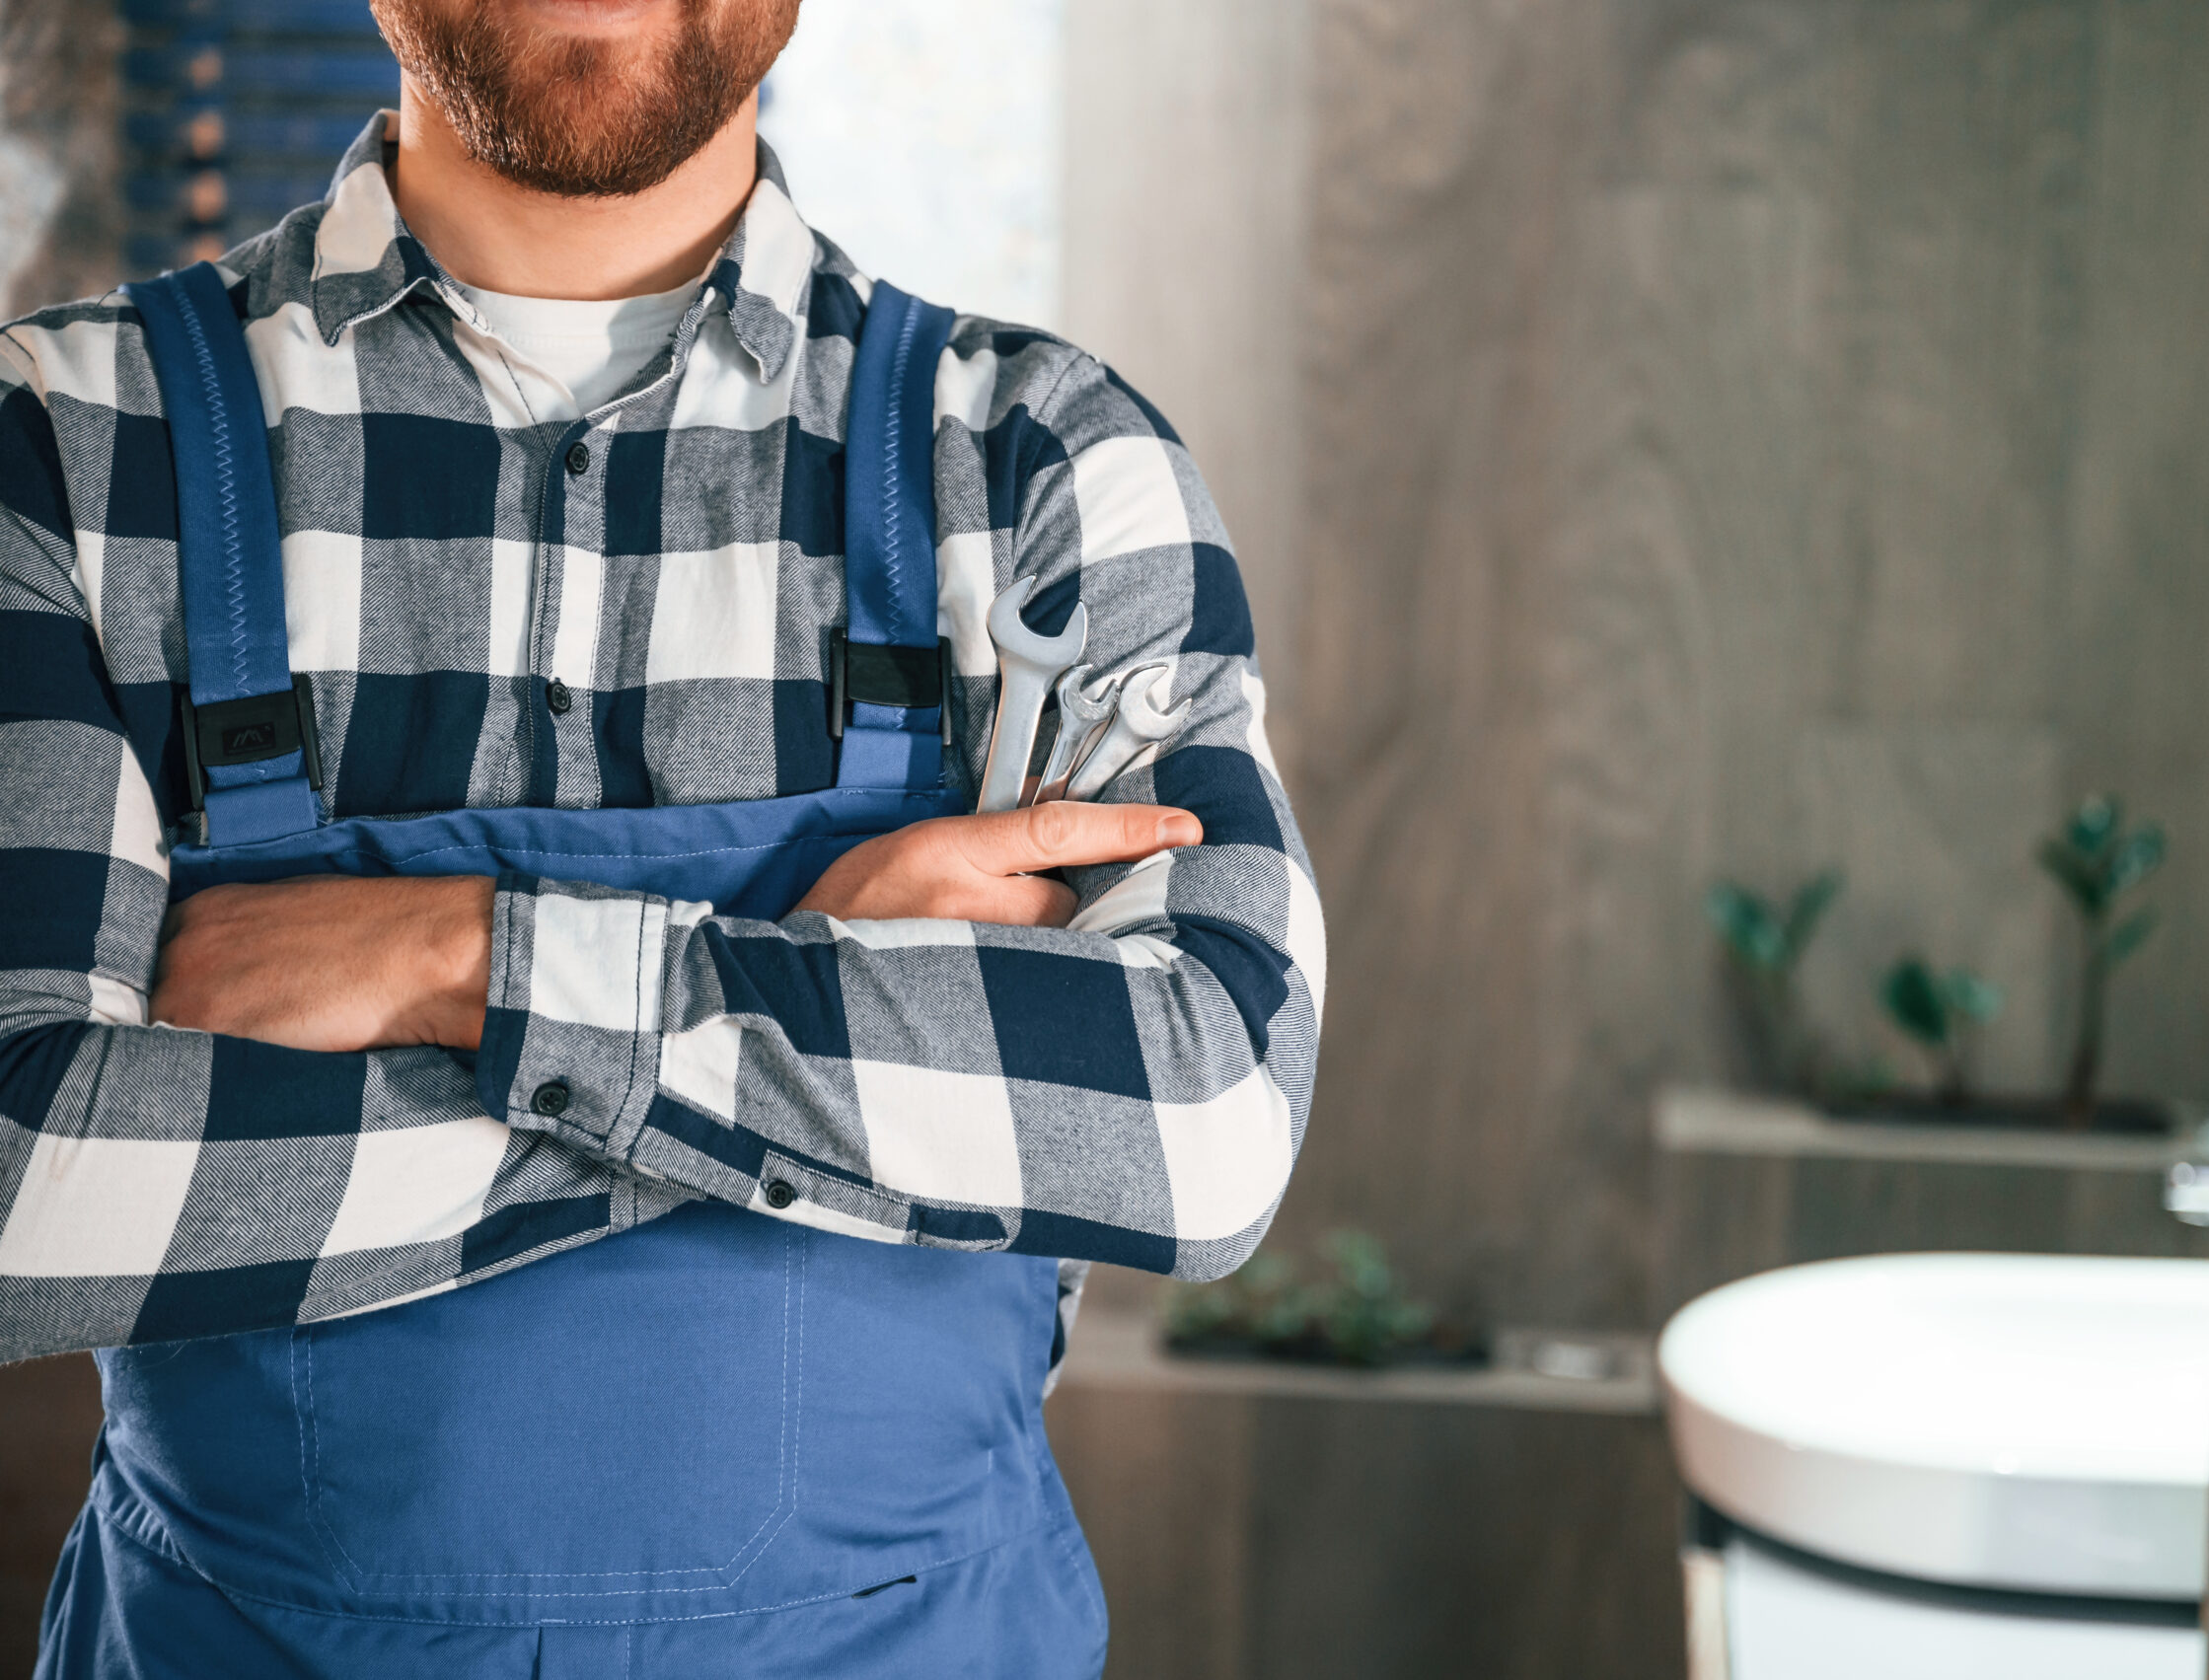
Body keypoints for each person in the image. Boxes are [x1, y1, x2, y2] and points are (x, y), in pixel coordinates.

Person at [0, 0, 1319, 1672]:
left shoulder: (1046, 469)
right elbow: (23, 1181)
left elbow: (1199, 1120)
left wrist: (453, 961)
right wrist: (823, 1013)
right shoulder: (59, 445)